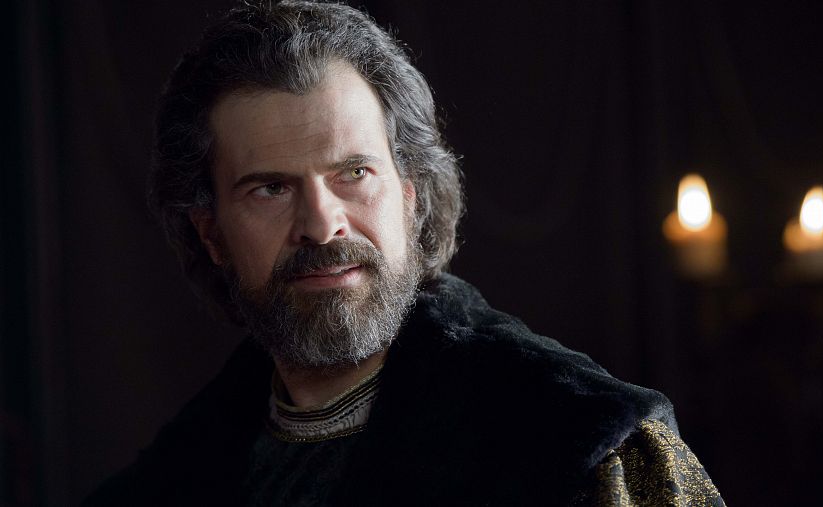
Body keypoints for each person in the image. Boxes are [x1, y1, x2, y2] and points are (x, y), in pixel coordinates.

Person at [85, 1, 724, 505]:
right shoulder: (172, 478)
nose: (322, 226)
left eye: (354, 173)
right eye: (270, 188)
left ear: (411, 197)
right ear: (211, 234)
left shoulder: (586, 444)